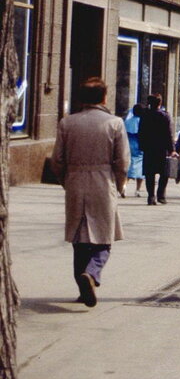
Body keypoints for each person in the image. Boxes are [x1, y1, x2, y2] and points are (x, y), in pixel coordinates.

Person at [50, 77, 130, 308]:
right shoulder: (114, 123)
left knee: (79, 237)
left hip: (75, 181)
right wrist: (119, 183)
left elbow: (57, 160)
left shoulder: (67, 123)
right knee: (104, 239)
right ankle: (92, 274)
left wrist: (66, 180)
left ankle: (82, 285)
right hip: (103, 182)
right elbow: (122, 161)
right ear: (104, 97)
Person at [138, 93, 174, 205]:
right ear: (160, 103)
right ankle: (161, 195)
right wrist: (172, 148)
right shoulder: (165, 116)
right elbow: (169, 133)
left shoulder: (145, 115)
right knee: (164, 173)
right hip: (162, 148)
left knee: (150, 173)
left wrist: (142, 145)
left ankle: (151, 196)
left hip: (149, 148)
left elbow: (141, 132)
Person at [124, 106, 144, 198]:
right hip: (140, 145)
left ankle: (124, 186)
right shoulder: (142, 122)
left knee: (129, 165)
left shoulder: (127, 121)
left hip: (128, 144)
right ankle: (138, 189)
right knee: (141, 167)